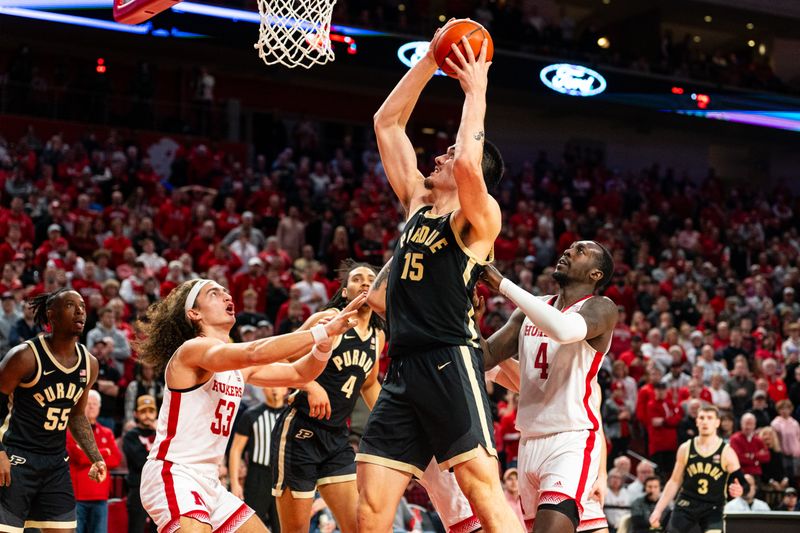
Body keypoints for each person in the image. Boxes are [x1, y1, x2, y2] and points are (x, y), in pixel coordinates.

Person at [357, 20, 517, 533]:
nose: (441, 156)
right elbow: (386, 122)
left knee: (482, 491)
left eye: (447, 154)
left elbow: (470, 163)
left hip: (450, 359)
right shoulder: (417, 202)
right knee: (372, 503)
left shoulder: (478, 218)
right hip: (401, 365)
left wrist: (477, 89)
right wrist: (430, 59)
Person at [135, 278, 364, 533]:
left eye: (226, 291)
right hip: (174, 473)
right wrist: (320, 332)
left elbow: (300, 374)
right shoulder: (192, 350)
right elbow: (253, 352)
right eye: (214, 293)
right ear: (194, 313)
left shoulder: (235, 366)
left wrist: (322, 346)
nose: (226, 296)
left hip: (210, 481)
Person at [480, 239, 618, 533]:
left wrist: (503, 285)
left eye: (580, 251)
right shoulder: (532, 309)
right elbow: (485, 357)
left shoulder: (601, 308)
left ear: (595, 274)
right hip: (529, 441)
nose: (568, 251)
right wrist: (468, 320)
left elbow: (564, 330)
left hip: (572, 439)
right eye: (569, 248)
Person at [269, 262, 385, 533]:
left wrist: (389, 420)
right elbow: (281, 356)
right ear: (345, 292)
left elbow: (368, 384)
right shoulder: (329, 319)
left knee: (358, 526)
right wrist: (309, 385)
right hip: (301, 432)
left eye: (372, 278)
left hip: (336, 438)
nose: (366, 282)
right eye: (357, 279)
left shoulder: (378, 336)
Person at [0, 289, 107, 532]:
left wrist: (95, 456)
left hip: (55, 462)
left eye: (82, 305)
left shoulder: (89, 363)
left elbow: (77, 415)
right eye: (70, 305)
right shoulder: (24, 356)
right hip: (17, 456)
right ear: (52, 316)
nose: (80, 310)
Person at [649, 405, 747, 532]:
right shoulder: (685, 448)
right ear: (696, 421)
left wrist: (740, 490)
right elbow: (674, 481)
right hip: (687, 503)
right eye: (701, 418)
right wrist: (658, 510)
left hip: (713, 506)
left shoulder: (726, 452)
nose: (705, 421)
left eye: (709, 418)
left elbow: (743, 483)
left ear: (717, 423)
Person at [229, 387, 287, 533]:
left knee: (283, 527)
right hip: (257, 477)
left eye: (279, 385)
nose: (275, 389)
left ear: (286, 388)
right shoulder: (251, 414)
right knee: (250, 525)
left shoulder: (291, 416)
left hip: (284, 477)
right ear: (263, 388)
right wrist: (235, 483)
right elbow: (236, 450)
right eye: (270, 385)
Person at [66, 390, 121, 533]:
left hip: (101, 496)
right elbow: (78, 457)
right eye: (88, 403)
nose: (91, 407)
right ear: (82, 406)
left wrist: (90, 455)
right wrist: (104, 452)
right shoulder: (71, 431)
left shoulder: (107, 432)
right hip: (78, 497)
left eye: (94, 404)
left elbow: (116, 459)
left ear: (99, 407)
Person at [123, 395, 159, 533]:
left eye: (151, 411)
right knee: (136, 529)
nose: (148, 415)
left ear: (156, 413)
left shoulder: (162, 434)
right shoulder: (131, 436)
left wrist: (160, 431)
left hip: (159, 489)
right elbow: (140, 461)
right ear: (136, 414)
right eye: (143, 412)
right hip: (138, 489)